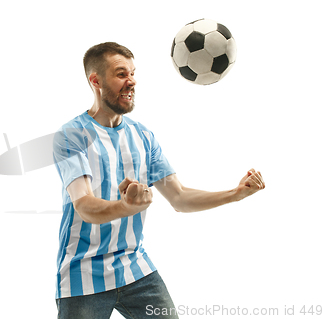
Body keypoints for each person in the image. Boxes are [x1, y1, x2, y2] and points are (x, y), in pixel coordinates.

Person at [52, 42, 265, 319]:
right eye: (121, 74)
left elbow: (179, 198)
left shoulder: (143, 136)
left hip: (135, 268)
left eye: (132, 72)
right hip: (83, 275)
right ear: (95, 81)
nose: (132, 81)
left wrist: (234, 193)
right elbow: (84, 206)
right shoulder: (72, 135)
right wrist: (127, 207)